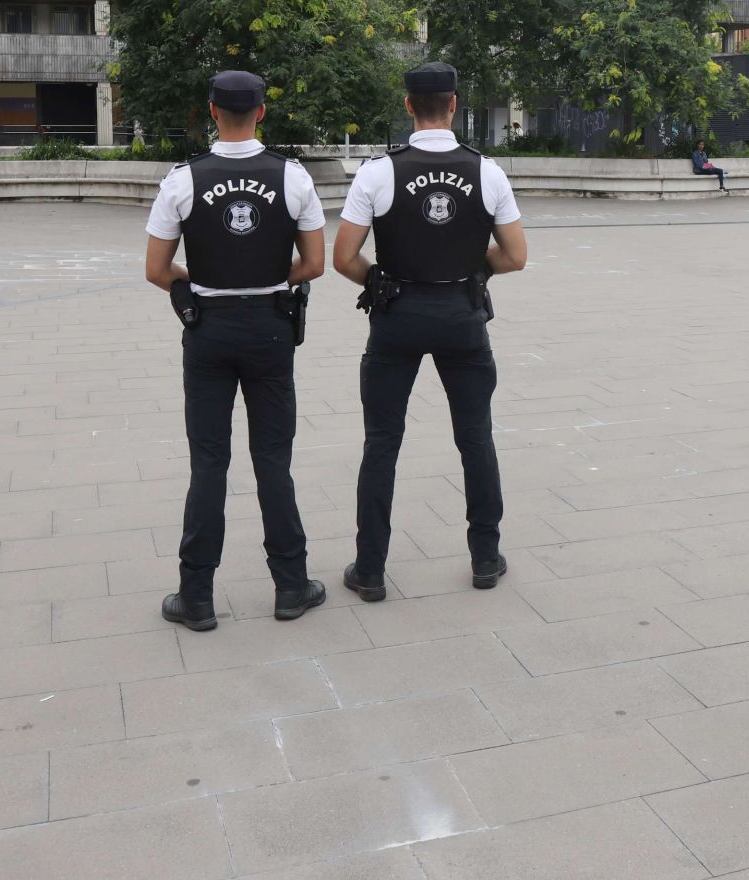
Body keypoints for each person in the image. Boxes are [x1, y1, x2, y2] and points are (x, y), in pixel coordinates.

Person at [333, 62, 527, 600]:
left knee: (382, 444)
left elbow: (343, 257)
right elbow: (516, 256)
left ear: (408, 106)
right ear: (456, 105)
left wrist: (382, 280)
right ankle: (485, 557)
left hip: (397, 317)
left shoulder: (378, 172)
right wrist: (474, 268)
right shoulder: (486, 171)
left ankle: (370, 569)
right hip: (462, 315)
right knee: (475, 439)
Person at [143, 71, 327, 632]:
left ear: (212, 112)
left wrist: (197, 291)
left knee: (209, 464)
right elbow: (315, 264)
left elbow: (155, 269)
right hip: (270, 326)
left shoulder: (184, 179)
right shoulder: (292, 177)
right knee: (273, 459)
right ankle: (291, 587)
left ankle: (196, 595)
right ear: (262, 113)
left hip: (209, 330)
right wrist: (269, 282)